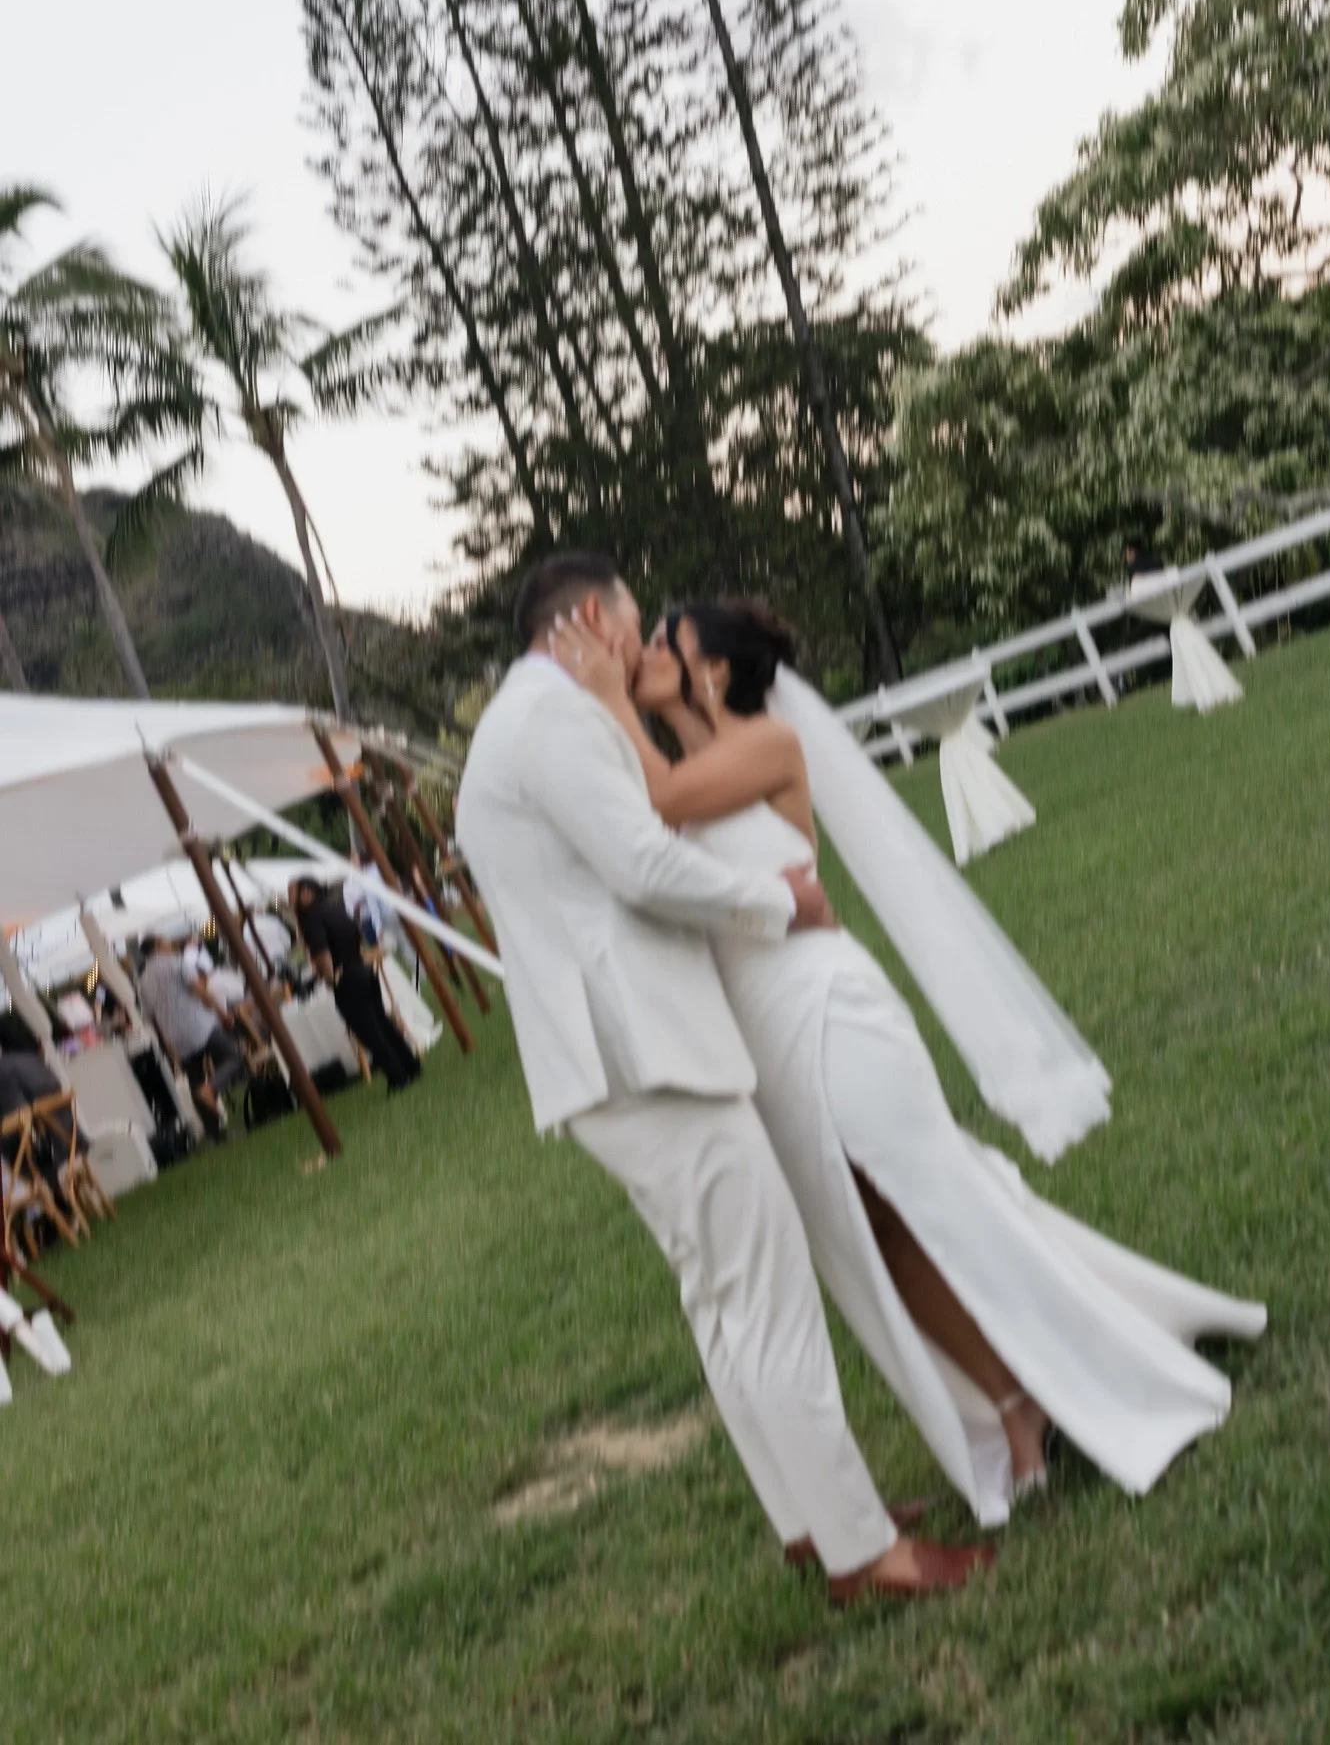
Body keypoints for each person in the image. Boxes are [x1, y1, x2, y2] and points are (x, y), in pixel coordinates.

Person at [551, 595, 1267, 1526]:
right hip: (764, 1035)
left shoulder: (766, 745)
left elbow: (656, 806)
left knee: (940, 1204)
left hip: (829, 1010)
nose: (643, 651)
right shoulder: (684, 766)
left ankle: (1100, 1371)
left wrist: (608, 698)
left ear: (715, 672)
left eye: (664, 642)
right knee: (877, 1235)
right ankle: (1015, 1401)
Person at [455, 550, 990, 1604]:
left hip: (611, 1058)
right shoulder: (555, 721)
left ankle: (810, 1521)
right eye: (632, 622)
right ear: (595, 622)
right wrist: (783, 902)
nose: (638, 643)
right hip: (645, 1051)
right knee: (766, 1292)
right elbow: (643, 867)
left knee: (721, 1295)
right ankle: (866, 1554)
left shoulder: (515, 726)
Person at [288, 880, 422, 1094]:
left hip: (346, 977)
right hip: (361, 969)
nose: (289, 899)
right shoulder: (334, 908)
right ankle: (411, 1065)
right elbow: (356, 935)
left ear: (306, 893)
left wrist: (330, 978)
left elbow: (322, 951)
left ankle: (397, 1076)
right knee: (382, 1023)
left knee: (368, 1031)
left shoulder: (311, 917)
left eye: (291, 893)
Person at [138, 935, 247, 1133]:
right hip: (199, 1025)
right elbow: (199, 990)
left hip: (175, 1037)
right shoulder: (176, 962)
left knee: (195, 1079)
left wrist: (166, 1045)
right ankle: (211, 1088)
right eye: (166, 942)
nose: (170, 944)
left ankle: (215, 1131)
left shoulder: (143, 982)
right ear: (159, 946)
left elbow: (151, 1019)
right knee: (235, 1056)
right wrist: (222, 1013)